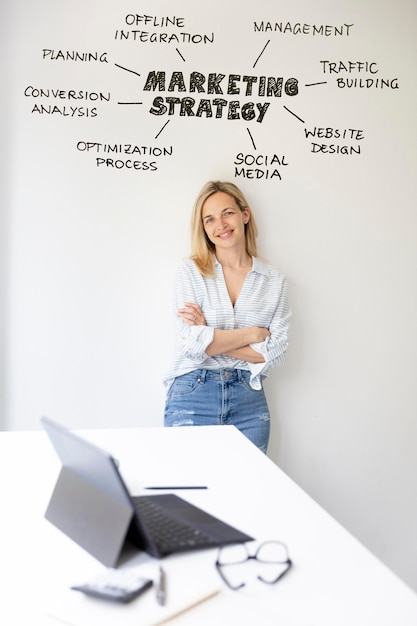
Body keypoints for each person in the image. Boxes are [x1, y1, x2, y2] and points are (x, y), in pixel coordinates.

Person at [163, 181, 291, 453]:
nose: (220, 224)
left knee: (246, 493)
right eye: (209, 219)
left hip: (249, 402)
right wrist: (252, 336)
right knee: (188, 491)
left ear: (245, 215)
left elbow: (276, 353)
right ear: (204, 228)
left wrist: (209, 333)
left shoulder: (274, 280)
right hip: (193, 394)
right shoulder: (190, 272)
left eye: (227, 213)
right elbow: (190, 343)